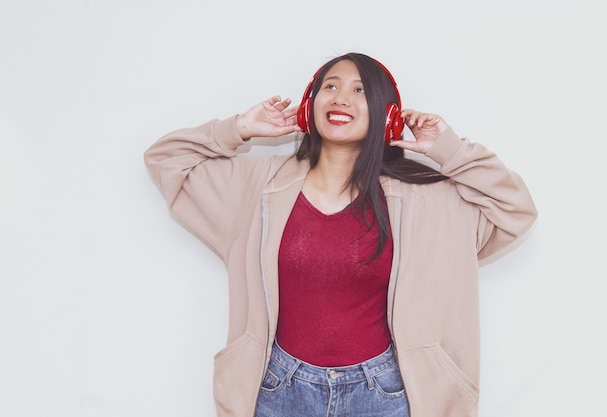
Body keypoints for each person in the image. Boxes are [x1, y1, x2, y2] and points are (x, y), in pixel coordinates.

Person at [144, 52, 537, 417]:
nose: (340, 98)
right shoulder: (256, 186)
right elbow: (167, 160)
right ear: (308, 105)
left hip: (384, 394)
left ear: (388, 115)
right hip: (279, 390)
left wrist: (449, 150)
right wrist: (241, 128)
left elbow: (515, 210)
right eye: (330, 86)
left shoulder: (426, 200)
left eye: (360, 90)